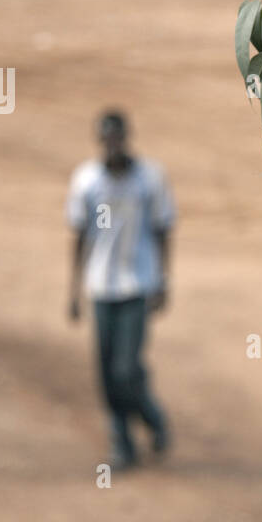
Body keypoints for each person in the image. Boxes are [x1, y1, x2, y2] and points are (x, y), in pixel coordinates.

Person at [66, 109, 174, 469]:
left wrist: (163, 281)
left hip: (137, 285)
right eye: (105, 139)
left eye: (116, 138)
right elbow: (79, 236)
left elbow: (162, 230)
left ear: (126, 138)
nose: (111, 146)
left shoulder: (148, 179)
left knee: (126, 369)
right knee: (106, 373)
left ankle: (152, 417)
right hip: (100, 287)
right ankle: (122, 443)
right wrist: (74, 291)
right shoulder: (87, 181)